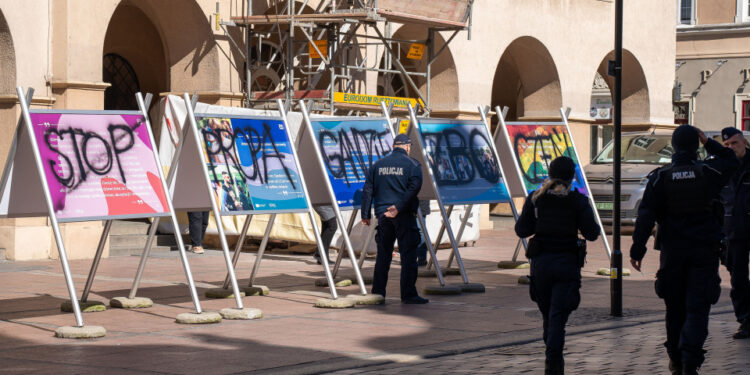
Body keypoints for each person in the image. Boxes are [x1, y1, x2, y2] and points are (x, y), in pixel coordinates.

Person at [630, 125, 739, 374]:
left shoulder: (660, 176)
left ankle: (676, 359)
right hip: (704, 250)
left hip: (673, 252)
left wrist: (637, 249)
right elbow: (731, 159)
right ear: (696, 145)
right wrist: (709, 143)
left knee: (675, 307)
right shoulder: (709, 171)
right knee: (698, 307)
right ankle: (690, 359)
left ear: (675, 147)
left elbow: (645, 215)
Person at [514, 156, 600, 375]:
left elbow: (521, 230)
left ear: (550, 174)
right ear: (572, 176)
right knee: (557, 317)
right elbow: (592, 233)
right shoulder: (577, 200)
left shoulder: (536, 198)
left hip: (541, 265)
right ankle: (553, 362)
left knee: (548, 314)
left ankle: (552, 356)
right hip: (566, 264)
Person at [361, 134, 428, 304]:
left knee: (383, 256)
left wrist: (365, 215)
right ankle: (408, 295)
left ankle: (378, 293)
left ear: (394, 146)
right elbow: (413, 189)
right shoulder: (413, 165)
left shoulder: (378, 165)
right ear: (407, 147)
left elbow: (368, 190)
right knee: (408, 255)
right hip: (403, 215)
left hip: (383, 215)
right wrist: (398, 208)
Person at [720, 127, 750, 340]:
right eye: (727, 145)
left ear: (744, 143)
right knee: (738, 279)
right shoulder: (723, 169)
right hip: (734, 232)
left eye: (734, 143)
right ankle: (746, 321)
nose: (731, 148)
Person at [416, 200, 431, 267]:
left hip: (420, 206)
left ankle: (421, 259)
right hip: (421, 205)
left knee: (420, 232)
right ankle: (422, 259)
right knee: (420, 231)